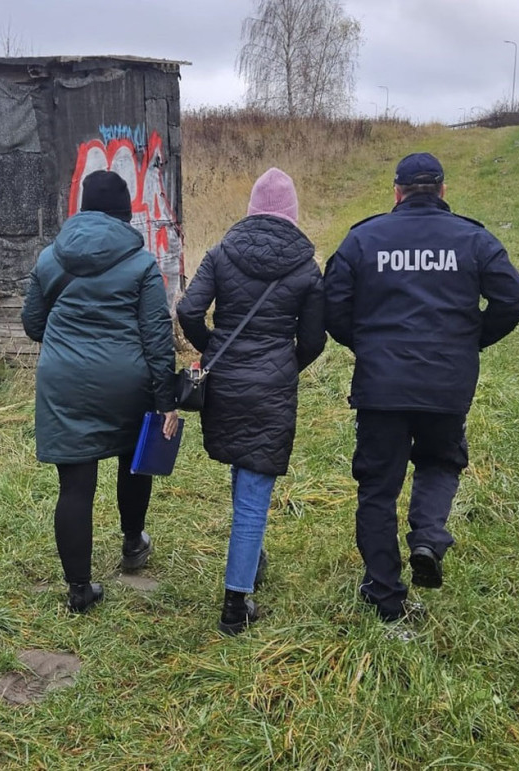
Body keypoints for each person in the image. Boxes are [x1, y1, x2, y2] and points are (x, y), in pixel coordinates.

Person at [324, 152, 519, 622]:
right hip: (446, 382)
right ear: (442, 191)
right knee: (440, 460)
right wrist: (470, 339)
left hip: (381, 386)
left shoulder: (363, 239)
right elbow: (511, 297)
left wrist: (369, 345)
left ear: (396, 192)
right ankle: (429, 539)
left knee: (377, 487)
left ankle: (384, 594)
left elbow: (332, 307)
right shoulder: (474, 239)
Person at [21, 170, 179, 614]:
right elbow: (156, 339)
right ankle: (133, 544)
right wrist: (165, 400)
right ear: (125, 212)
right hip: (127, 385)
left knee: (75, 487)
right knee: (134, 464)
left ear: (82, 209)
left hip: (64, 383)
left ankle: (79, 591)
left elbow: (34, 325)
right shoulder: (142, 263)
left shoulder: (50, 259)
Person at [176, 167, 326, 635]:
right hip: (271, 388)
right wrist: (284, 366)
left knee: (244, 476)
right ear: (292, 215)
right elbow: (315, 340)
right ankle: (235, 607)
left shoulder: (221, 253)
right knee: (253, 498)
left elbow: (187, 309)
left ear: (252, 209)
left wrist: (212, 348)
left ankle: (251, 557)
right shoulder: (306, 267)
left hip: (225, 384)